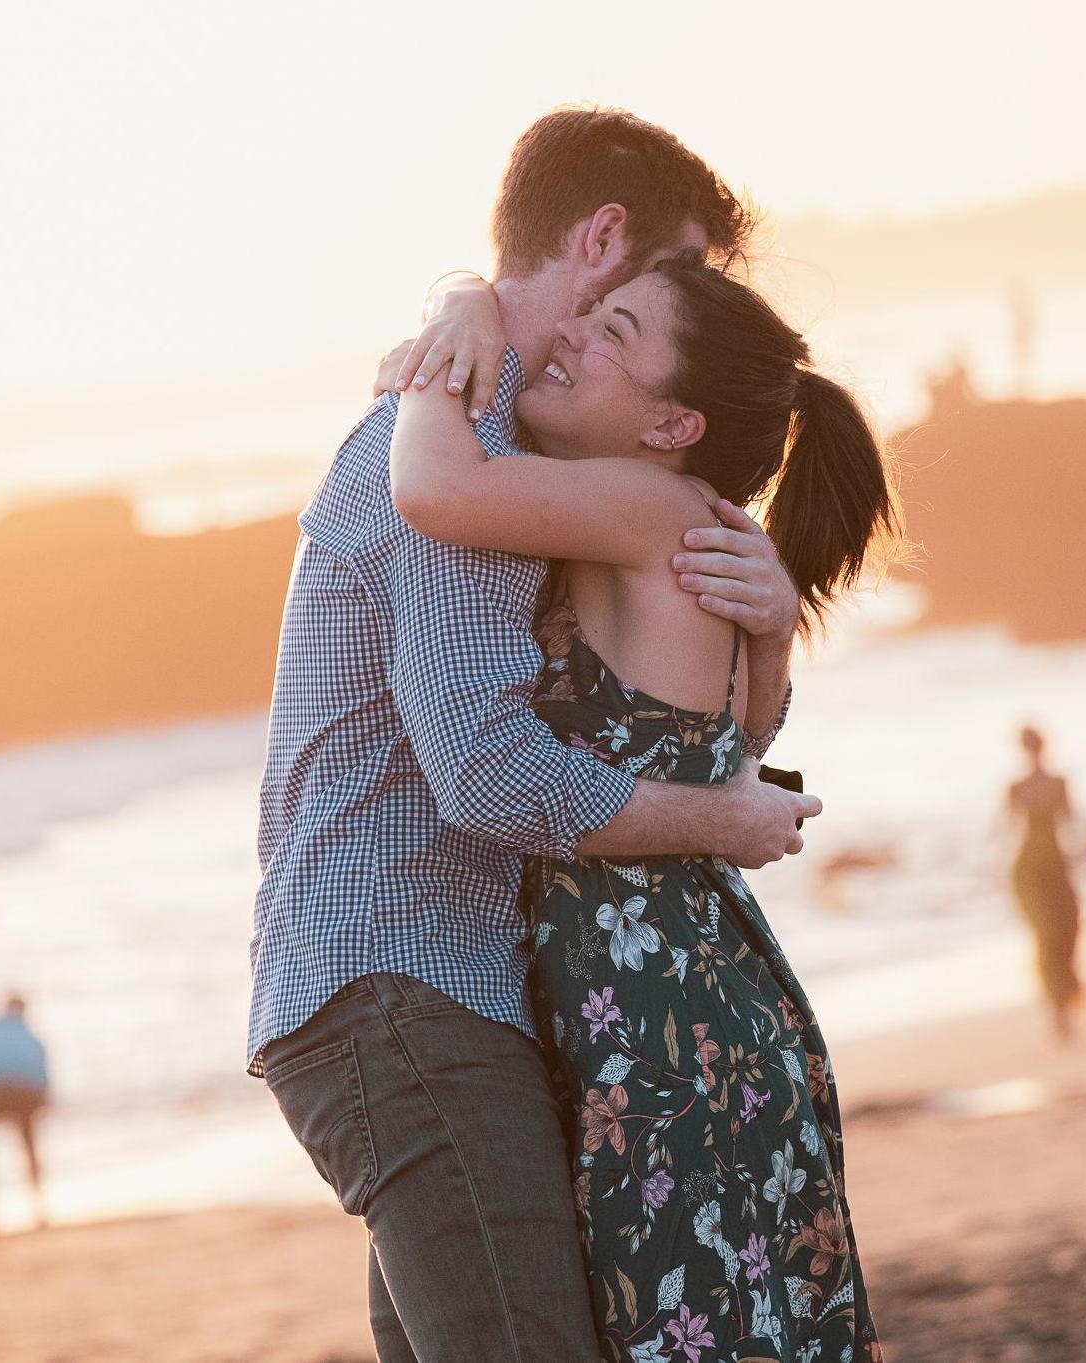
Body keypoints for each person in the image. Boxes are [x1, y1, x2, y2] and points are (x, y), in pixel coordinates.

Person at [249, 108, 819, 1363]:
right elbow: (488, 775)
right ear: (603, 236)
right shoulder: (468, 437)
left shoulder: (486, 428)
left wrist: (768, 629)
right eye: (672, 277)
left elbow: (670, 717)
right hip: (403, 985)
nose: (682, 310)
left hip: (425, 988)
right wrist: (722, 825)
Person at [384, 253, 897, 1361]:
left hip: (657, 1011)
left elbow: (431, 492)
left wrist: (449, 334)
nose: (569, 335)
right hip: (686, 996)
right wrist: (768, 634)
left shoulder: (640, 505)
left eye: (613, 332)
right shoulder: (678, 521)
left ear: (673, 423)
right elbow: (741, 746)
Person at [1005, 727, 1084, 1042]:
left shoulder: (1059, 783)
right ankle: (1057, 1006)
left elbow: (1073, 823)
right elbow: (1005, 832)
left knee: (1068, 933)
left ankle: (1064, 1000)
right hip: (1029, 871)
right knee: (1048, 935)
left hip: (1056, 865)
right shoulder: (1016, 787)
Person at [0, 993, 49, 1236]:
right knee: (29, 1147)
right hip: (25, 1092)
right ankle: (40, 1211)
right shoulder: (31, 1037)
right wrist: (44, 1102)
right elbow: (42, 1074)